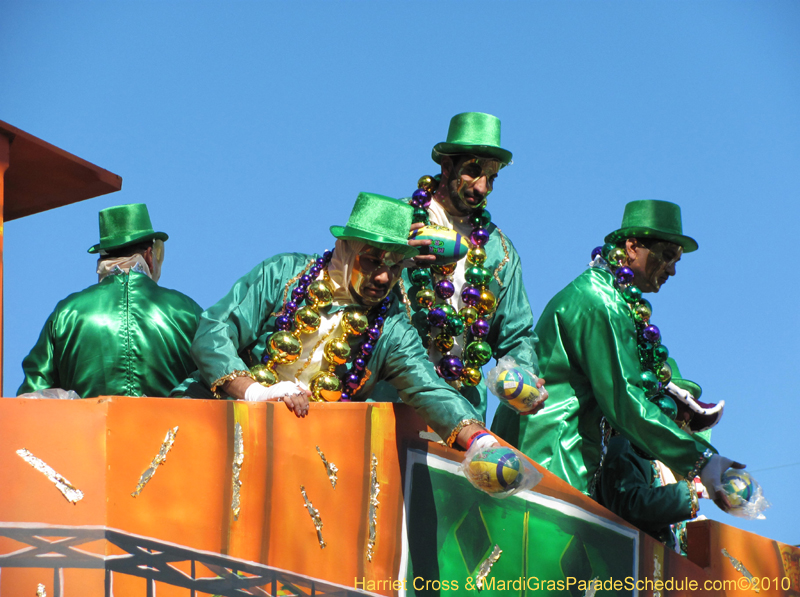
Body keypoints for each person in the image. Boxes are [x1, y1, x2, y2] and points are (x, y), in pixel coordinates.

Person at [175, 192, 489, 449]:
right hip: (207, 426)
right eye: (372, 261)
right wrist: (254, 392)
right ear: (343, 248)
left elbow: (429, 389)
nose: (383, 276)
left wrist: (481, 442)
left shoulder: (391, 325)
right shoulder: (281, 274)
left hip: (300, 453)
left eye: (395, 265)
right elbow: (214, 331)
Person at [492, 199, 742, 507]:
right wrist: (701, 459)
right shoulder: (600, 300)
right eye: (666, 255)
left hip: (553, 465)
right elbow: (624, 400)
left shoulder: (612, 297)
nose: (673, 270)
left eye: (677, 259)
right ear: (632, 246)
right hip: (549, 464)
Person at [373, 112, 544, 420]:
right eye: (473, 171)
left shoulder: (499, 250)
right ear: (446, 165)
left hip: (462, 410)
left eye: (491, 179)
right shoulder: (397, 220)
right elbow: (348, 276)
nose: (481, 188)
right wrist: (394, 256)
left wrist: (525, 379)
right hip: (387, 399)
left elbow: (516, 334)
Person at [18, 203, 203, 398]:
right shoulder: (187, 311)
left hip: (87, 429)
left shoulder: (66, 314)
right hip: (172, 429)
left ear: (102, 257)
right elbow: (219, 382)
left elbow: (32, 400)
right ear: (149, 255)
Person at [595, 358, 721, 554]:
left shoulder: (666, 468)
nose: (684, 425)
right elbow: (627, 505)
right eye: (680, 412)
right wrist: (691, 491)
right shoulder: (627, 445)